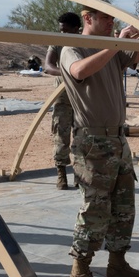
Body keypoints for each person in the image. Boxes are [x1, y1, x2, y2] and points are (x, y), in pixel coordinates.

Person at [58, 6, 139, 277]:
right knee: (95, 207)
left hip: (117, 140)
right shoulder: (73, 47)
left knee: (123, 206)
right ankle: (80, 272)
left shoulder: (113, 47)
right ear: (87, 18)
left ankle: (117, 264)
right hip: (92, 142)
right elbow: (80, 71)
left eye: (113, 19)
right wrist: (117, 43)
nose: (110, 23)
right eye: (105, 18)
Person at [45, 12, 81, 189]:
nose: (63, 34)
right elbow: (48, 66)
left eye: (67, 31)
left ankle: (80, 174)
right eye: (61, 30)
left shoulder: (85, 43)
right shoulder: (57, 42)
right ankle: (61, 174)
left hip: (82, 96)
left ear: (77, 29)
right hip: (63, 95)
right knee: (61, 134)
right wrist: (67, 74)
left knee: (82, 136)